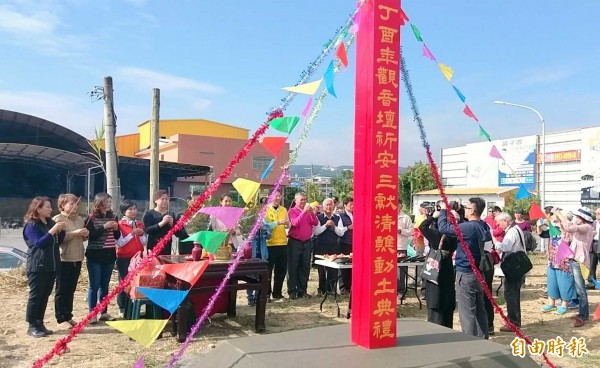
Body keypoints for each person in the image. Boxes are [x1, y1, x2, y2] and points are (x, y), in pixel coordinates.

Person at [438, 197, 491, 339]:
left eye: (467, 208)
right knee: (480, 309)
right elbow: (465, 229)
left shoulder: (468, 227)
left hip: (465, 273)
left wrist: (444, 210)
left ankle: (469, 340)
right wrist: (460, 210)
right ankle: (483, 338)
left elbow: (443, 228)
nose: (465, 210)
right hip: (478, 273)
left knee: (467, 312)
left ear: (473, 210)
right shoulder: (483, 226)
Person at [23, 197, 66, 337]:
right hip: (37, 266)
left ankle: (39, 322)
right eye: (47, 207)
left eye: (50, 206)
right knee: (36, 296)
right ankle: (32, 325)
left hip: (51, 265)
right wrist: (52, 231)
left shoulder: (49, 223)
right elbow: (39, 243)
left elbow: (57, 242)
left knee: (45, 295)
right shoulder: (32, 225)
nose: (50, 209)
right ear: (38, 208)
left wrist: (62, 230)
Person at [53, 194, 89, 329]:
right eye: (71, 204)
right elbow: (58, 240)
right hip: (64, 258)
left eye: (76, 204)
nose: (74, 207)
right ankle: (61, 318)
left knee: (71, 289)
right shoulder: (58, 219)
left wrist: (85, 234)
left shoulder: (80, 219)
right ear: (62, 205)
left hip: (77, 257)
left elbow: (81, 238)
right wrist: (75, 233)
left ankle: (68, 315)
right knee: (61, 289)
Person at [556, 207, 595, 327]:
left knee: (581, 288)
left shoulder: (587, 227)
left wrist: (560, 215)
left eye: (578, 217)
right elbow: (567, 236)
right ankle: (582, 312)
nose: (575, 218)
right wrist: (560, 223)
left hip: (580, 261)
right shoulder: (579, 229)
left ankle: (584, 315)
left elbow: (571, 227)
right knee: (578, 287)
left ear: (583, 219)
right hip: (574, 259)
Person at [85, 193, 120, 323]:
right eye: (106, 202)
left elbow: (117, 237)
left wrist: (116, 228)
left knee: (104, 285)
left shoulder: (114, 217)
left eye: (110, 202)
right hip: (95, 254)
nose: (109, 204)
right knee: (94, 285)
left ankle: (103, 312)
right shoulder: (91, 218)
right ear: (99, 203)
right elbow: (91, 235)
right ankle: (92, 313)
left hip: (109, 254)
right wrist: (104, 227)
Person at [419, 210, 457, 328]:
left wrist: (432, 216)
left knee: (435, 297)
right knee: (447, 296)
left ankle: (435, 324)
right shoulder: (455, 235)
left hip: (436, 268)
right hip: (448, 266)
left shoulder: (436, 235)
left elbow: (422, 226)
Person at [492, 213, 526, 331]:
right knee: (513, 294)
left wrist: (495, 242)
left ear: (506, 221)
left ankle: (513, 322)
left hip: (513, 267)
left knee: (510, 294)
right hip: (517, 266)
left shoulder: (511, 232)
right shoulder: (516, 229)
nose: (498, 225)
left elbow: (505, 247)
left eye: (499, 222)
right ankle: (515, 320)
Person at [116, 200, 147, 318]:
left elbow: (144, 242)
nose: (133, 211)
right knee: (124, 283)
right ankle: (122, 307)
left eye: (134, 209)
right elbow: (120, 243)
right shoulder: (120, 225)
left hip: (137, 257)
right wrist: (132, 234)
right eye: (130, 209)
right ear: (124, 211)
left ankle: (133, 306)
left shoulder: (139, 223)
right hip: (124, 257)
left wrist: (141, 234)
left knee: (136, 283)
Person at [287, 192, 319, 299]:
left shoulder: (308, 212)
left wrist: (312, 213)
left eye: (305, 199)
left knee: (305, 267)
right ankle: (292, 291)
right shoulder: (292, 211)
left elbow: (315, 222)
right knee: (293, 266)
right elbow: (294, 223)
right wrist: (303, 212)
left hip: (307, 242)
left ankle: (302, 290)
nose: (304, 202)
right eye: (301, 200)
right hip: (295, 242)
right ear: (296, 201)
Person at [313, 198, 344, 296]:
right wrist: (326, 226)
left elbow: (341, 233)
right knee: (321, 269)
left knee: (333, 269)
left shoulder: (338, 217)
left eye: (330, 205)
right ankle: (321, 289)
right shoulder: (318, 218)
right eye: (327, 205)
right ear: (323, 207)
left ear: (333, 206)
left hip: (334, 246)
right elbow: (316, 232)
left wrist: (334, 226)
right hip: (321, 246)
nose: (329, 207)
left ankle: (331, 289)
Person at [143, 190, 188, 256]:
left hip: (167, 246)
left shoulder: (171, 213)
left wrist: (173, 224)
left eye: (166, 199)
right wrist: (161, 223)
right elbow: (147, 230)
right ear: (156, 200)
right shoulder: (149, 213)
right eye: (162, 199)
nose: (165, 201)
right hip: (153, 244)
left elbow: (176, 233)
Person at [264, 191, 289, 301]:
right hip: (270, 244)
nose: (277, 198)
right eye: (275, 196)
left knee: (281, 270)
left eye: (279, 196)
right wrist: (277, 223)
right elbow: (265, 227)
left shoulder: (284, 209)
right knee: (268, 271)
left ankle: (277, 293)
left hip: (282, 243)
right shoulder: (265, 210)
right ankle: (267, 294)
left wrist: (287, 224)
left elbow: (288, 224)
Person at [397, 200, 414, 294]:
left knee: (401, 270)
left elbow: (411, 232)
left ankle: (401, 290)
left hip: (401, 246)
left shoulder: (405, 217)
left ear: (401, 206)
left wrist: (401, 231)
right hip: (387, 246)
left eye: (397, 205)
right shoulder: (387, 215)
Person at [338, 197, 353, 294]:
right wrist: (348, 227)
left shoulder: (357, 214)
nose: (353, 207)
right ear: (345, 205)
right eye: (350, 205)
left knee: (352, 266)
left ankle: (351, 286)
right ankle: (343, 287)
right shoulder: (340, 216)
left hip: (355, 244)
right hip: (344, 243)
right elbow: (339, 230)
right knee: (344, 265)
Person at [587, 208, 600, 289]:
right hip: (594, 243)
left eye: (599, 213)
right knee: (592, 265)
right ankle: (591, 283)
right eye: (596, 213)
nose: (597, 215)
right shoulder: (593, 223)